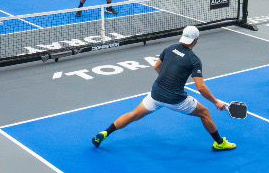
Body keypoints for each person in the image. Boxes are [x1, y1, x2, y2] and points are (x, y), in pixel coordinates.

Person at [90, 26, 235, 151]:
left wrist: (168, 80)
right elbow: (201, 87)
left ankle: (105, 133)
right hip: (175, 100)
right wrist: (216, 102)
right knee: (204, 112)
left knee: (134, 114)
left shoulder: (170, 48)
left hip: (156, 94)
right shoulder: (193, 60)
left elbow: (156, 66)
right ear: (196, 40)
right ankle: (220, 143)